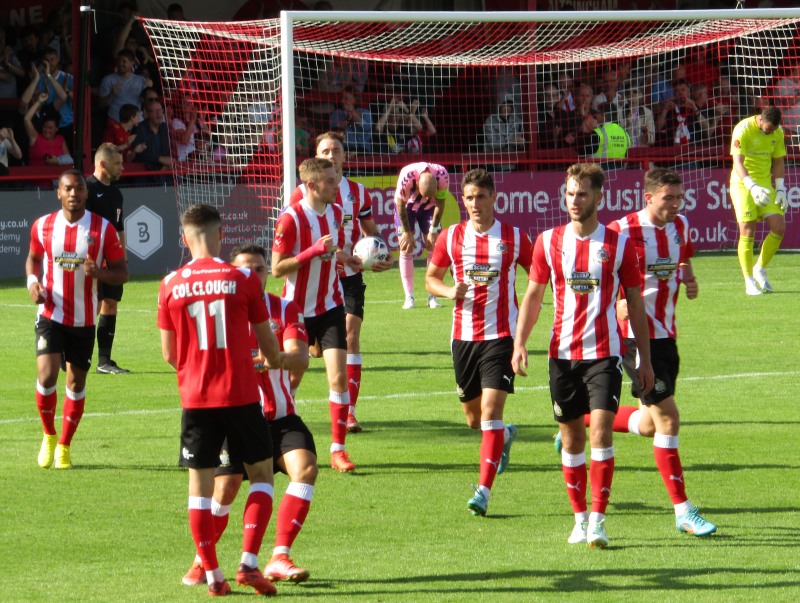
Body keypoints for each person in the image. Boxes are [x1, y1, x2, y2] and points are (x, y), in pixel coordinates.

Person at [555, 168, 717, 537]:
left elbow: (683, 260)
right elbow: (597, 269)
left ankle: (579, 421)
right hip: (632, 339)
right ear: (649, 197)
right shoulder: (622, 231)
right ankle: (683, 511)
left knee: (647, 423)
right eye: (668, 198)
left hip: (667, 338)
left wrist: (688, 279)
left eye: (679, 198)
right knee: (669, 420)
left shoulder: (680, 227)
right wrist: (617, 305)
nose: (675, 205)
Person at [511, 163, 654, 548]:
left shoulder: (618, 244)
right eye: (570, 193)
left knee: (601, 431)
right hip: (561, 356)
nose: (575, 200)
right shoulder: (548, 242)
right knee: (572, 440)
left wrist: (644, 358)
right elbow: (534, 296)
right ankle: (578, 518)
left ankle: (598, 520)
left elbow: (636, 305)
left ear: (598, 198)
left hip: (605, 354)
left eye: (583, 194)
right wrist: (520, 342)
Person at [158, 204, 283, 597]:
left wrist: (195, 367)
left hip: (195, 399)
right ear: (220, 234)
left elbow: (168, 354)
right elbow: (268, 346)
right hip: (241, 396)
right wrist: (273, 361)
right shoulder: (243, 279)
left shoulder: (170, 283)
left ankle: (212, 573)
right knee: (261, 475)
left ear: (184, 238)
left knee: (199, 488)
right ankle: (248, 562)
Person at [182, 243, 317, 587]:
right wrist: (267, 360)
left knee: (306, 470)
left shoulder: (285, 308)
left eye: (259, 269)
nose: (254, 275)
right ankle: (203, 559)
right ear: (232, 273)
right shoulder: (221, 315)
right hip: (236, 414)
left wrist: (270, 361)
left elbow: (299, 358)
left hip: (281, 418)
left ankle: (279, 556)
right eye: (246, 269)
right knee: (225, 489)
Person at [425, 168, 530, 517]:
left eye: (480, 197)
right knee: (473, 419)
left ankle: (483, 491)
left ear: (493, 198)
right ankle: (506, 435)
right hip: (463, 337)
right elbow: (431, 279)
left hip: (501, 336)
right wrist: (447, 290)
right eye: (468, 198)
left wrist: (524, 332)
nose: (473, 204)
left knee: (489, 412)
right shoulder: (451, 237)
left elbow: (540, 277)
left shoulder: (514, 238)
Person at [288, 132, 393, 433]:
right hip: (315, 281)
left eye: (336, 150)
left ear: (344, 155)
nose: (330, 155)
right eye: (325, 150)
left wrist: (383, 254)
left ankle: (350, 413)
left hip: (348, 277)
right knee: (306, 354)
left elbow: (371, 232)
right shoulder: (302, 193)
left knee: (351, 336)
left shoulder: (358, 192)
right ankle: (281, 409)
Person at [26, 170, 128, 470]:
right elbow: (33, 257)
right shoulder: (43, 226)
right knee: (46, 376)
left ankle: (65, 446)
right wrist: (33, 282)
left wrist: (101, 274)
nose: (74, 194)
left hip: (84, 320)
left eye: (79, 189)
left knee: (75, 381)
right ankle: (48, 435)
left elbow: (122, 271)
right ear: (59, 193)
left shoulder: (103, 229)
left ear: (86, 192)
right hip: (50, 314)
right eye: (68, 189)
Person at [272, 157, 363, 472]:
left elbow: (332, 251)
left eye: (336, 179)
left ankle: (338, 450)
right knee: (292, 378)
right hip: (294, 311)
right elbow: (276, 269)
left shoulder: (336, 213)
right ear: (311, 185)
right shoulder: (290, 219)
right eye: (329, 181)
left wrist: (349, 259)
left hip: (330, 306)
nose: (336, 186)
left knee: (338, 377)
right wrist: (311, 251)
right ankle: (280, 436)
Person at [729, 105, 787, 295]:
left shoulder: (778, 132)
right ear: (761, 120)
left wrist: (780, 188)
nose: (771, 133)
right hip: (742, 183)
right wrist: (751, 186)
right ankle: (749, 281)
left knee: (779, 227)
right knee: (747, 230)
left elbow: (778, 160)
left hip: (765, 183)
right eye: (768, 129)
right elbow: (737, 161)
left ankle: (759, 268)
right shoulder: (743, 129)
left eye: (773, 130)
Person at [86, 143, 130, 374]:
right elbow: (80, 228)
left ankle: (104, 361)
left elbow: (119, 227)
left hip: (112, 262)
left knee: (110, 305)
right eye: (117, 163)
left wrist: (123, 257)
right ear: (102, 164)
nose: (122, 168)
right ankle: (72, 354)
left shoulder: (116, 192)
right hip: (92, 262)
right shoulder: (86, 188)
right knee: (88, 308)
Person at [394, 161, 450, 309]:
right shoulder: (406, 175)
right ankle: (409, 297)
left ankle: (432, 296)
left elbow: (440, 203)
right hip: (407, 207)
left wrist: (433, 229)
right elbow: (400, 205)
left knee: (435, 246)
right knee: (406, 247)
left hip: (430, 209)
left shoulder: (442, 175)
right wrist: (407, 232)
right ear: (417, 183)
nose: (425, 197)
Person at [99, 49, 152, 123]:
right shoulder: (108, 79)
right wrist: (112, 94)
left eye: (124, 61)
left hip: (136, 121)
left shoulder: (141, 80)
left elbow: (149, 101)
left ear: (132, 63)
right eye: (119, 61)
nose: (120, 63)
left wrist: (150, 88)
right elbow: (101, 105)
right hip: (115, 120)